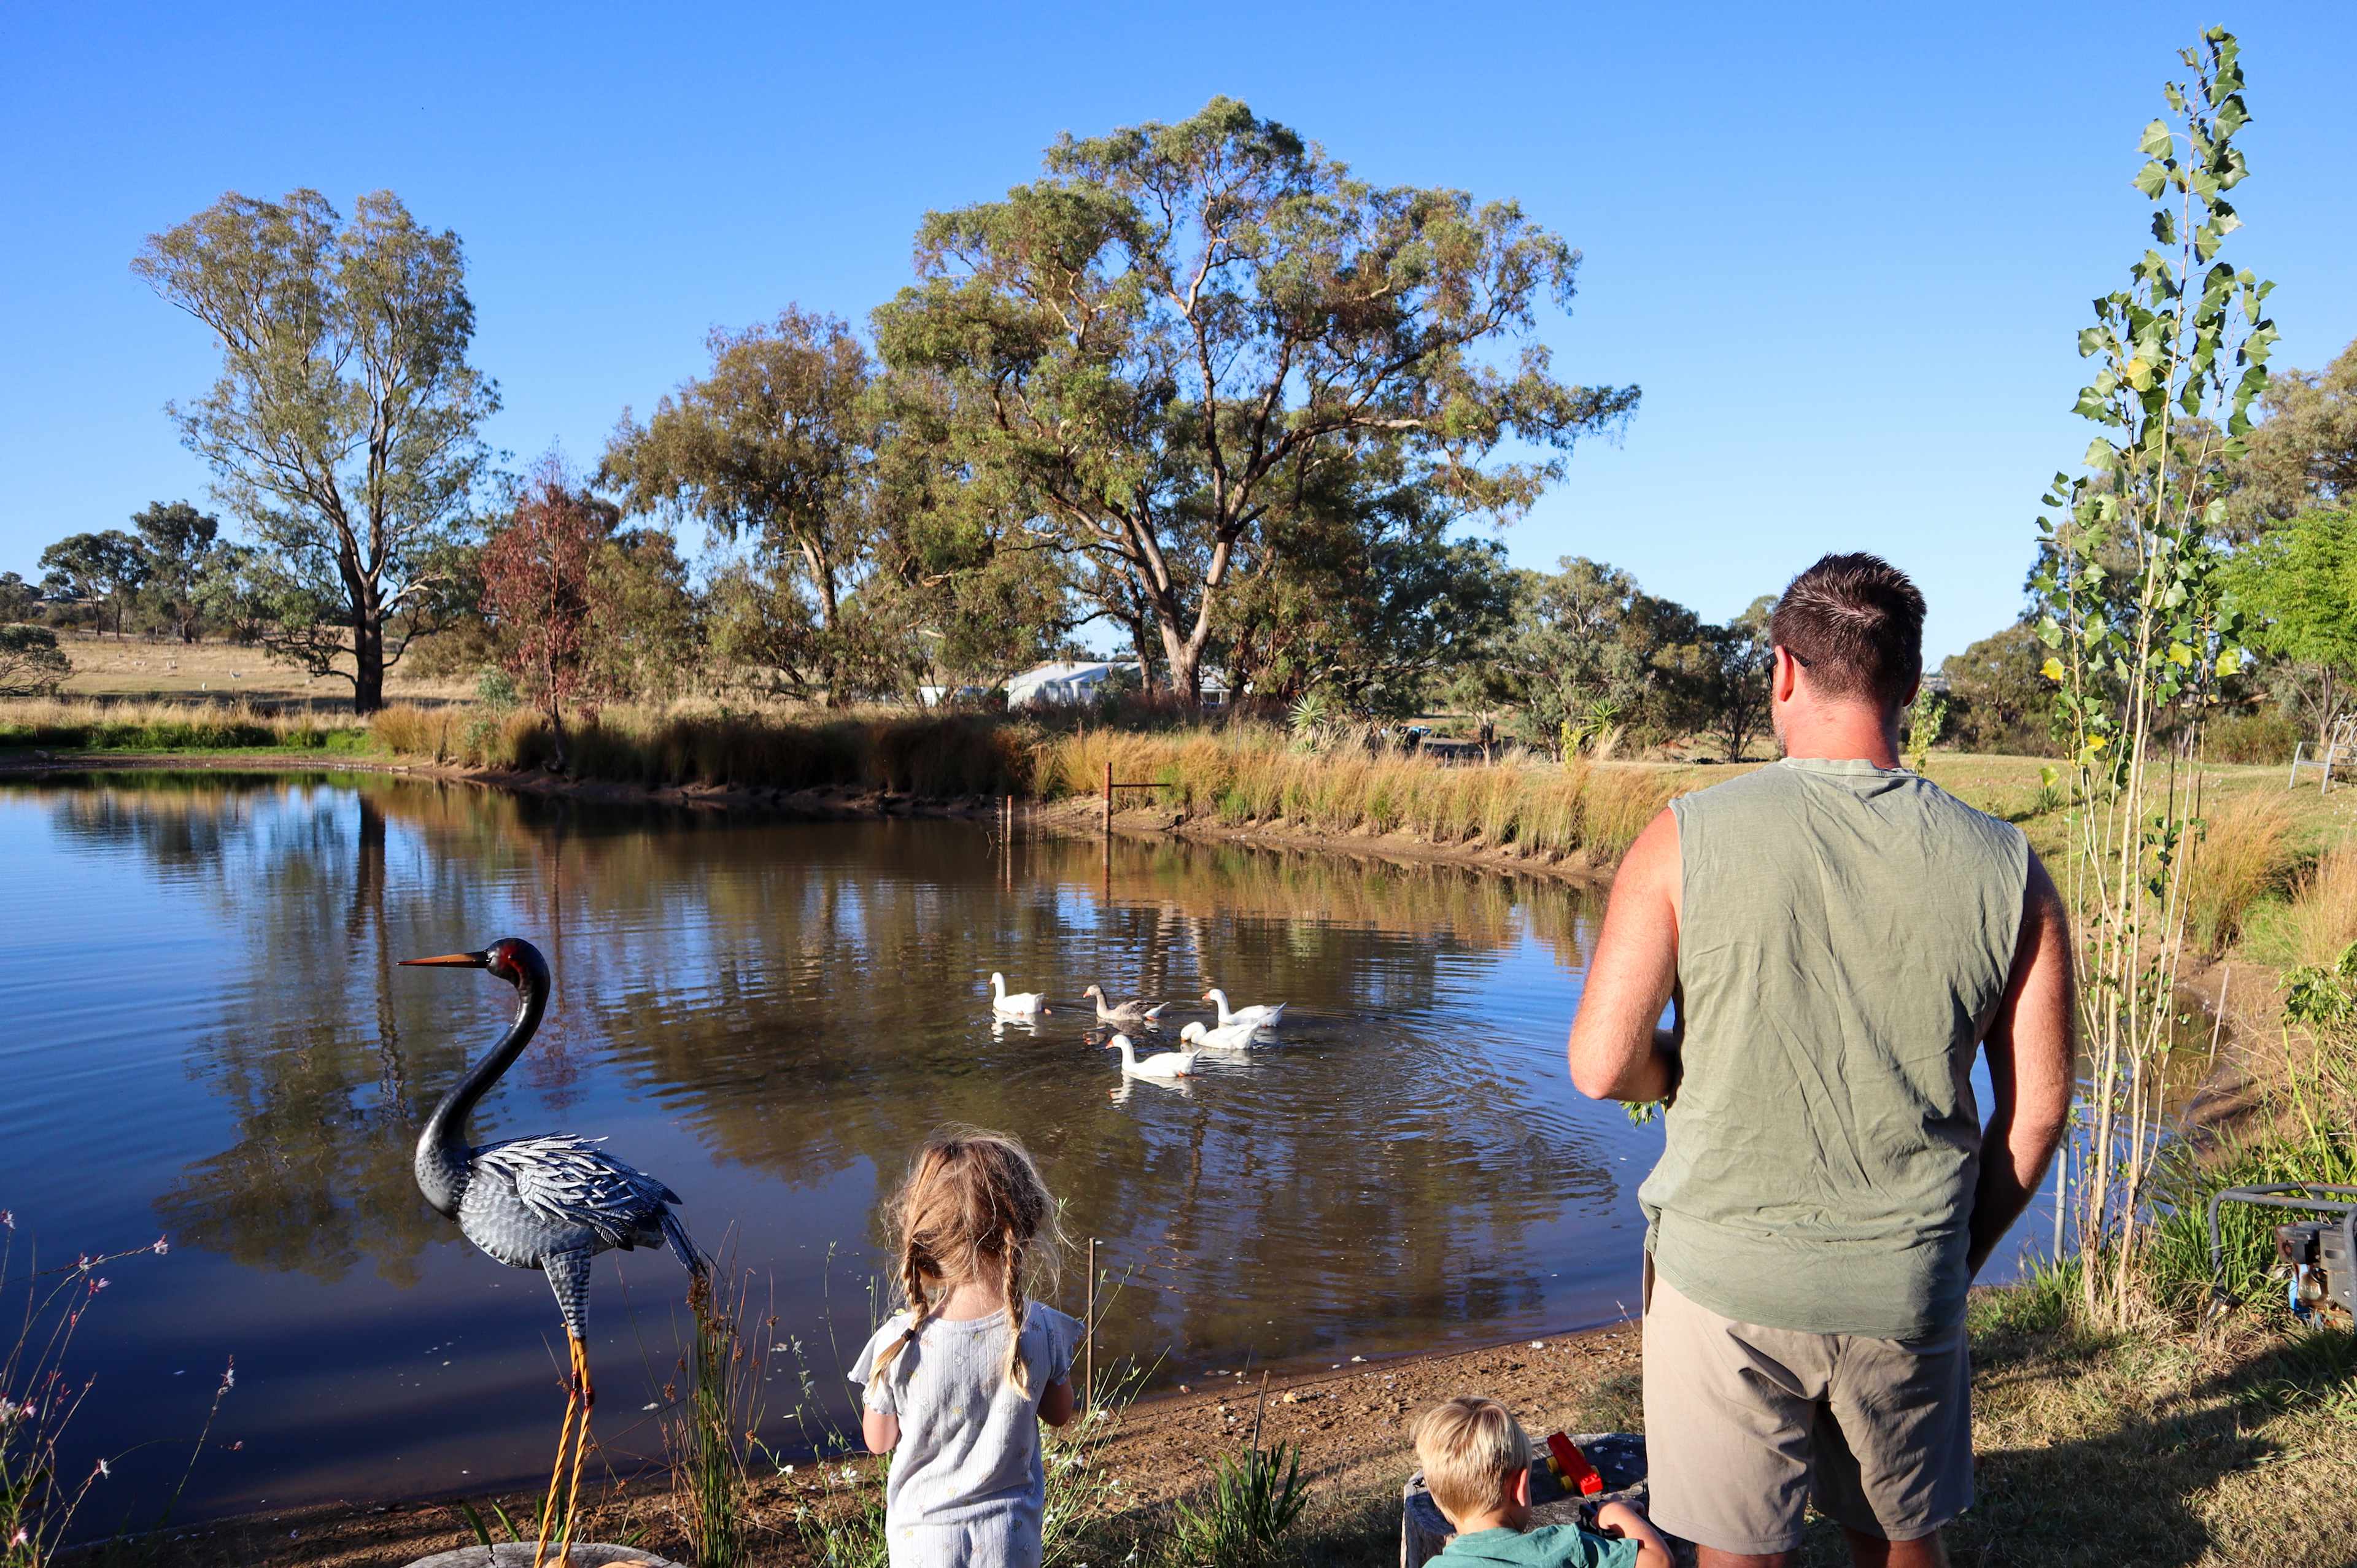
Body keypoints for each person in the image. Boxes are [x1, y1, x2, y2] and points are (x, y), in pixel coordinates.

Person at [1566, 553, 2075, 1568]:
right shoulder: (2009, 867)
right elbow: (2040, 1109)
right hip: (1906, 1277)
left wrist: (1680, 1074)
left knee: (1737, 1550)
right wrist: (1949, 1252)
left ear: (1784, 673)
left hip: (1724, 1278)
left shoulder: (1681, 838)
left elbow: (1600, 1062)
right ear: (1911, 687)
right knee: (1897, 1537)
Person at [851, 1126, 1082, 1568]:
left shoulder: (901, 1341)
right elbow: (1059, 1413)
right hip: (1011, 1542)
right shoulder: (1042, 1328)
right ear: (1027, 1226)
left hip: (922, 1544)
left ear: (928, 1239)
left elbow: (878, 1441)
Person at [1411, 1396, 1673, 1568]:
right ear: (1520, 1488)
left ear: (1436, 1498)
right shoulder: (1563, 1546)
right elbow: (1659, 1562)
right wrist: (1618, 1514)